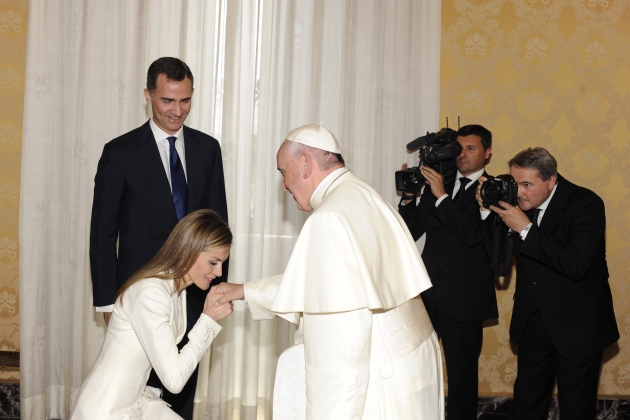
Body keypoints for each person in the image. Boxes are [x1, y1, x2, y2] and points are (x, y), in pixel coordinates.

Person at [212, 124, 444, 420]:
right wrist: (244, 290)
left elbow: (339, 358)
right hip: (412, 366)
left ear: (305, 164)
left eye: (283, 172)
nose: (283, 185)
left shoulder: (328, 218)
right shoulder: (360, 193)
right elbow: (326, 285)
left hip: (378, 381)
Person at [89, 57, 228, 417]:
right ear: (148, 95)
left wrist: (215, 287)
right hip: (140, 297)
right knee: (135, 383)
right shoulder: (119, 153)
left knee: (179, 391)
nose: (177, 111)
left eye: (185, 100)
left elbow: (217, 226)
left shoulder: (207, 149)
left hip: (192, 296)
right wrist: (108, 303)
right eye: (167, 100)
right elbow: (103, 233)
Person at [475, 147, 619, 420]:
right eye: (514, 183)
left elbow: (575, 264)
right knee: (527, 404)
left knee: (576, 408)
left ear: (551, 180)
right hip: (533, 321)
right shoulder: (516, 205)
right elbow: (498, 261)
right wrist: (486, 211)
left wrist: (526, 228)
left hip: (578, 324)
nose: (518, 192)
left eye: (527, 185)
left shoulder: (585, 203)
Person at [73, 209, 233, 420]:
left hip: (135, 401)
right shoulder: (151, 293)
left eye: (222, 262)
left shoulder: (177, 290)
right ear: (187, 252)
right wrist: (208, 321)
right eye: (214, 262)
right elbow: (174, 380)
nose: (219, 272)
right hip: (106, 409)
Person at [397, 124, 498, 420]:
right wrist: (408, 197)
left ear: (488, 153)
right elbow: (411, 230)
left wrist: (441, 196)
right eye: (459, 148)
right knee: (416, 368)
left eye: (471, 148)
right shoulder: (439, 183)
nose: (462, 155)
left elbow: (471, 235)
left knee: (462, 377)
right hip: (428, 292)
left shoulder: (491, 189)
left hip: (465, 297)